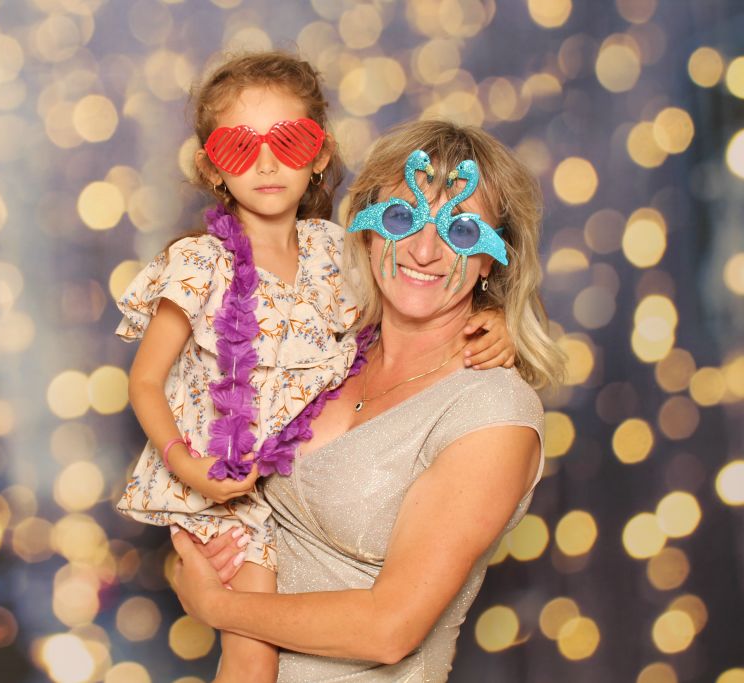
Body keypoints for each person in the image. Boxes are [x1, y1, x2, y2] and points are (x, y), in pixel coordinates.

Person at [116, 53, 515, 683]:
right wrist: (186, 465)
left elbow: (418, 289)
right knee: (250, 661)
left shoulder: (334, 253)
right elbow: (144, 379)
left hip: (273, 483)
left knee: (250, 647)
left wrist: (494, 317)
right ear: (212, 166)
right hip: (220, 481)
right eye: (240, 147)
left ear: (320, 154)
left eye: (290, 142)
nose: (266, 164)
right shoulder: (199, 263)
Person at [169, 119, 566, 681]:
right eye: (403, 218)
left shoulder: (493, 412)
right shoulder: (324, 351)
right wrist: (205, 557)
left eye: (460, 232)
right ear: (367, 228)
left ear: (492, 259)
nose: (424, 251)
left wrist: (213, 605)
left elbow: (389, 629)